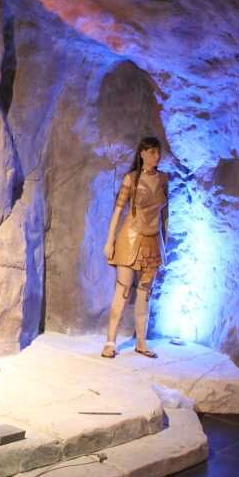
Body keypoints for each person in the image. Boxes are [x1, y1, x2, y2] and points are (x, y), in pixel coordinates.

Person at [101, 136, 169, 359]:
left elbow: (165, 215)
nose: (156, 156)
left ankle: (141, 342)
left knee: (145, 294)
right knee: (123, 291)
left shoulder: (163, 179)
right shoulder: (131, 179)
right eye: (152, 152)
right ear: (142, 153)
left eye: (158, 152)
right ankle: (110, 342)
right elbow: (118, 210)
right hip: (130, 239)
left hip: (152, 241)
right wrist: (109, 240)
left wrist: (165, 244)